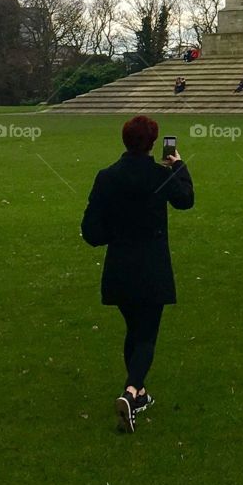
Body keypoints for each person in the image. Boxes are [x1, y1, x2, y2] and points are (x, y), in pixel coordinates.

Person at [80, 114, 194, 434]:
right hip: (152, 267)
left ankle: (140, 394)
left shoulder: (106, 177)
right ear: (153, 143)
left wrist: (116, 234)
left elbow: (91, 231)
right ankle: (130, 392)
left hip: (120, 267)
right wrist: (179, 166)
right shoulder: (161, 175)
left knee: (133, 330)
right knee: (146, 336)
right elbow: (186, 200)